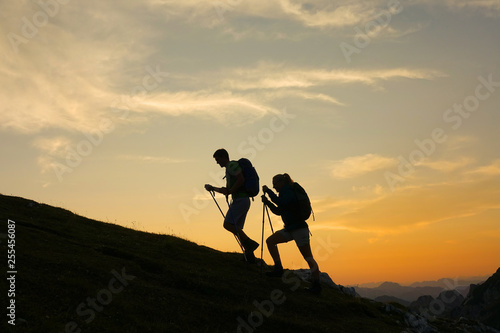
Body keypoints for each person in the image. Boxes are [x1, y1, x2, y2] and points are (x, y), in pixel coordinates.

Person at [262, 173, 321, 294]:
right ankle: (278, 268)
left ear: (281, 182)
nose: (274, 187)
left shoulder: (288, 191)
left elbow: (280, 203)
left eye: (275, 185)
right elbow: (279, 211)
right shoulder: (285, 192)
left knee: (308, 257)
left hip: (299, 229)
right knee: (270, 241)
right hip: (290, 228)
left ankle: (317, 285)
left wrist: (268, 192)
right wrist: (267, 202)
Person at [205, 149, 259, 263]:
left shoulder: (231, 166)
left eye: (218, 159)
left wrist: (231, 191)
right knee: (237, 229)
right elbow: (227, 190)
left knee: (228, 224)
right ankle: (250, 257)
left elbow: (241, 179)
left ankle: (250, 244)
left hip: (240, 200)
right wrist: (213, 188)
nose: (217, 162)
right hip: (243, 200)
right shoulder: (230, 168)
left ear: (224, 157)